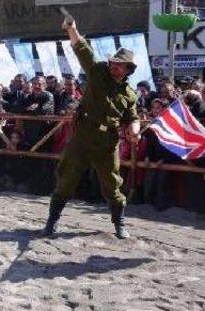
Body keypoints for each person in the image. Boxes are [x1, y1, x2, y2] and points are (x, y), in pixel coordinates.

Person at [39, 16, 140, 239]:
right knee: (66, 179)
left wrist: (134, 130)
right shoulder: (98, 72)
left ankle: (119, 224)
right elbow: (83, 50)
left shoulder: (130, 94)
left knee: (112, 184)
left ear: (127, 69)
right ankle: (51, 222)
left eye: (119, 64)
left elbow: (132, 117)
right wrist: (72, 29)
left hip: (107, 142)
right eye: (113, 62)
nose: (114, 66)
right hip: (83, 137)